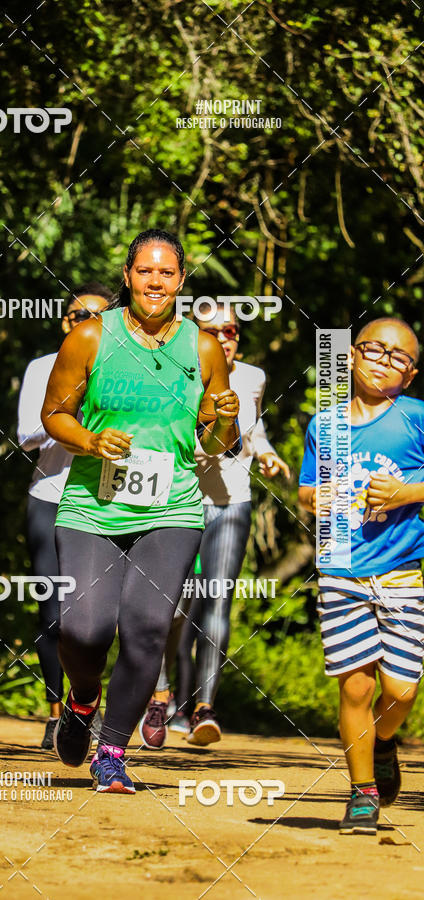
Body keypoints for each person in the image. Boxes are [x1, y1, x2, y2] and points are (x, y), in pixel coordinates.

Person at [40, 229, 241, 793]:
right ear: (128, 276)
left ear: (181, 281)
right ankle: (81, 701)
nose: (156, 281)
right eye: (145, 271)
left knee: (148, 629)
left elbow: (217, 441)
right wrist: (89, 440)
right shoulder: (89, 337)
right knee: (83, 629)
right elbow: (54, 412)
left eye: (168, 273)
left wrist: (224, 417)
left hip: (171, 506)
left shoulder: (201, 347)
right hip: (92, 505)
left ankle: (113, 749)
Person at [140, 301, 290, 749]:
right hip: (176, 500)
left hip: (231, 501)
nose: (225, 338)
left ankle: (206, 708)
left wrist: (265, 452)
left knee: (217, 604)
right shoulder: (172, 371)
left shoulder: (253, 378)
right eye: (214, 331)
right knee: (171, 607)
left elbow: (253, 429)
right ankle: (159, 697)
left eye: (232, 331)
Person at [298, 317, 424, 834]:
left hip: (402, 573)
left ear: (411, 375)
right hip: (341, 567)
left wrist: (405, 494)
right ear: (351, 355)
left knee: (402, 692)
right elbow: (307, 489)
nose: (383, 360)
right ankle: (362, 792)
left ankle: (386, 740)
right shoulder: (323, 426)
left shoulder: (416, 418)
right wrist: (314, 499)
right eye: (374, 349)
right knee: (355, 689)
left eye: (399, 357)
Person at [17, 283, 111, 748]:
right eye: (79, 316)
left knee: (94, 616)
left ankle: (86, 700)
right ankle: (58, 711)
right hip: (49, 496)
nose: (88, 323)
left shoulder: (122, 368)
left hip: (104, 502)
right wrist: (72, 422)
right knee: (54, 612)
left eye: (99, 315)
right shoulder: (42, 367)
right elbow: (27, 435)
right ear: (64, 322)